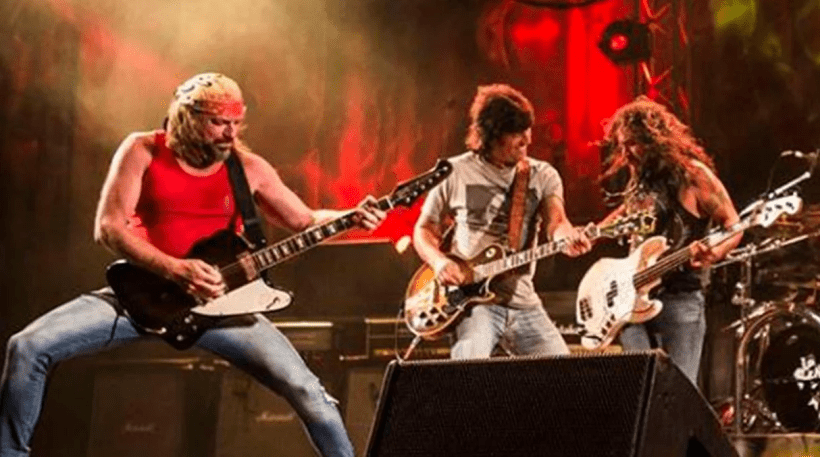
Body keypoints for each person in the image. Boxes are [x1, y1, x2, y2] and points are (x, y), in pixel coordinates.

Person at [0, 72, 385, 457]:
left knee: (308, 391)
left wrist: (352, 216)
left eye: (236, 122)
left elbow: (305, 220)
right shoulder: (142, 149)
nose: (229, 133)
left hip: (223, 308)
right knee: (27, 347)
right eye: (218, 122)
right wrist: (174, 269)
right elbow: (109, 228)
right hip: (142, 296)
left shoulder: (249, 168)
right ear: (186, 117)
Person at [413, 83, 592, 359]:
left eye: (527, 129)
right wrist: (439, 262)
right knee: (468, 370)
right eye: (516, 132)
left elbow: (557, 223)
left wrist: (566, 238)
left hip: (524, 303)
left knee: (564, 375)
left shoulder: (543, 175)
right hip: (474, 303)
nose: (527, 139)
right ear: (491, 135)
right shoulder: (454, 173)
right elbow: (424, 230)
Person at [598, 95, 741, 384]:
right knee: (639, 384)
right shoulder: (640, 176)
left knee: (678, 390)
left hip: (680, 297)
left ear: (655, 140)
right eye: (622, 145)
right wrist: (596, 232)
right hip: (631, 298)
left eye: (632, 144)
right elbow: (628, 211)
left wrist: (717, 252)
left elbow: (734, 225)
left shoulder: (693, 175)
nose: (626, 154)